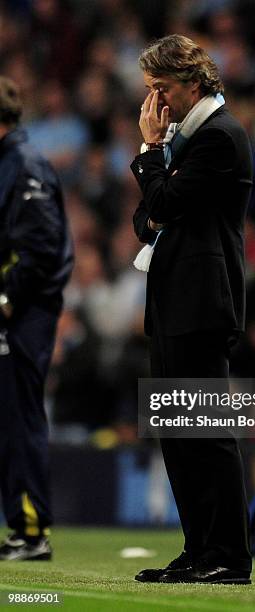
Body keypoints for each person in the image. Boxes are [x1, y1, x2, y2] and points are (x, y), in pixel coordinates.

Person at [131, 35, 253, 584]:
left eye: (163, 88)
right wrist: (159, 176)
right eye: (150, 90)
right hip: (175, 297)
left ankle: (228, 552)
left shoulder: (220, 138)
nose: (156, 102)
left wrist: (151, 151)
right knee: (178, 431)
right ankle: (200, 548)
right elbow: (146, 219)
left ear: (195, 82)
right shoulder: (188, 141)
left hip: (203, 300)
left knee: (205, 428)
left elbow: (159, 204)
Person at [0, 77, 73, 560]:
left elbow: (41, 249)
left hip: (22, 314)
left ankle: (31, 531)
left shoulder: (24, 166)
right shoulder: (9, 165)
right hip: (12, 309)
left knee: (17, 418)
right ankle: (24, 528)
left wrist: (6, 302)